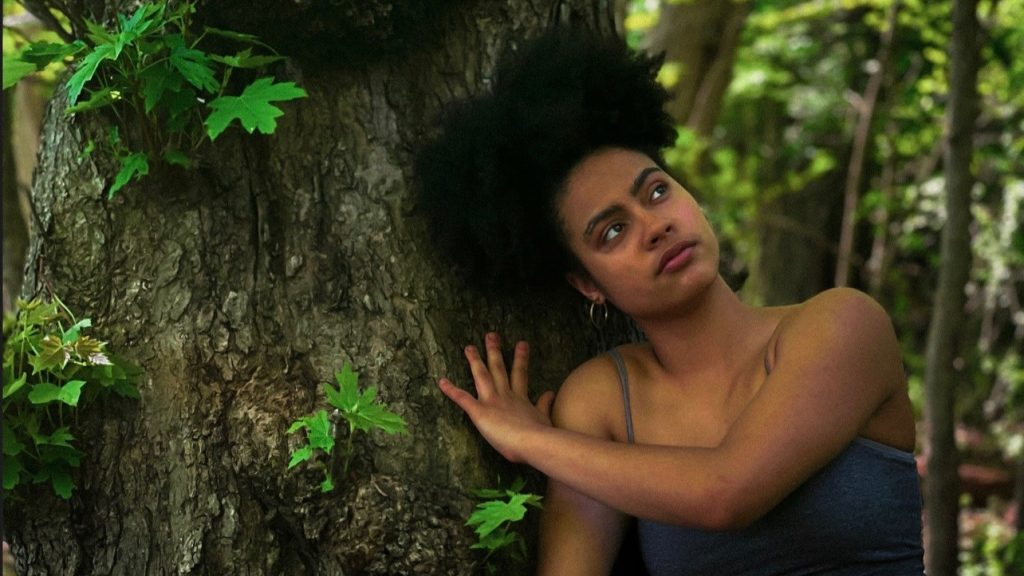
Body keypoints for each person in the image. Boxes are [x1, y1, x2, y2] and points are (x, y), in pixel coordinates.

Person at [417, 30, 925, 575]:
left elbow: (725, 494)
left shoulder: (841, 325)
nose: (654, 226)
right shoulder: (604, 400)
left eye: (656, 191)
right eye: (612, 232)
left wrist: (531, 440)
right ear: (588, 285)